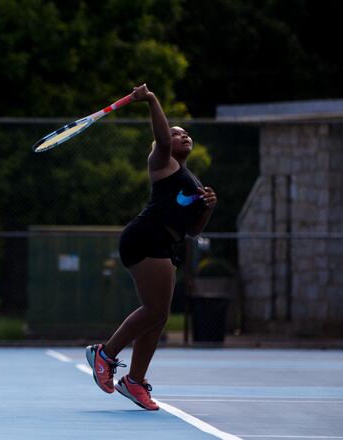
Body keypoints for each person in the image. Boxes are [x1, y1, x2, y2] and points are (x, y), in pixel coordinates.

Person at [85, 84, 217, 410]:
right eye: (176, 133)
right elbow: (160, 137)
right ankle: (106, 354)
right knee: (156, 312)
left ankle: (134, 381)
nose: (182, 136)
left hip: (165, 242)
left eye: (186, 133)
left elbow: (192, 231)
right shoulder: (162, 162)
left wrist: (209, 207)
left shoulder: (193, 180)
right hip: (145, 236)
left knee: (157, 317)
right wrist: (153, 100)